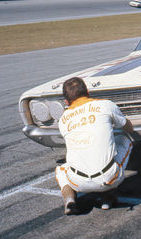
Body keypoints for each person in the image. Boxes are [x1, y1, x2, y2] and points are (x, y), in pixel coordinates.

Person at [55, 77, 133, 215]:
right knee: (125, 139)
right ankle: (108, 196)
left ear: (66, 101)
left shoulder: (63, 120)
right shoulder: (106, 105)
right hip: (109, 178)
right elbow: (128, 128)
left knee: (61, 169)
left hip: (78, 182)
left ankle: (69, 199)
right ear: (88, 92)